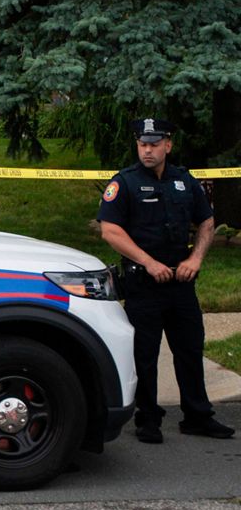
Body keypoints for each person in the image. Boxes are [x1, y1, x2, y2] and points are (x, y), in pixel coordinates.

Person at [97, 118, 233, 443]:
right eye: (143, 144)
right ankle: (148, 420)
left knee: (189, 349)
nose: (147, 149)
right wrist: (148, 262)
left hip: (181, 283)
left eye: (154, 144)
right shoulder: (125, 183)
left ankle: (198, 416)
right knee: (144, 355)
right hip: (144, 284)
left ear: (167, 145)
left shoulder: (184, 181)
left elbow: (207, 221)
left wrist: (196, 259)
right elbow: (110, 230)